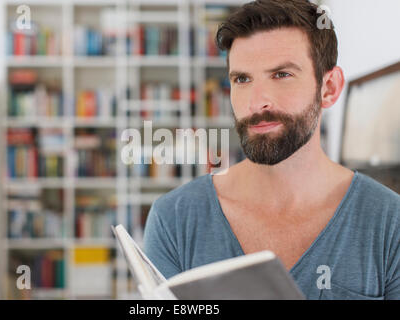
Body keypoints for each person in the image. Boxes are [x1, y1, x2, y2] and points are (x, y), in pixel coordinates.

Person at [143, 0, 400, 299]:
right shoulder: (174, 219)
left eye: (281, 75)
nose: (256, 102)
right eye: (242, 79)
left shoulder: (390, 223)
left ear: (328, 88)